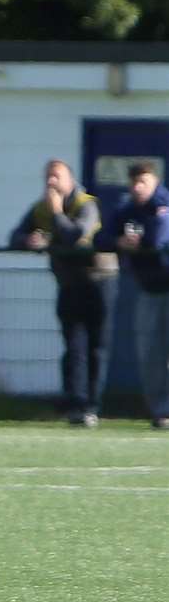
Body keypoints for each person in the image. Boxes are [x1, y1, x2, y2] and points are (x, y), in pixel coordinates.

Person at [10, 160, 110, 427]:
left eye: (57, 177)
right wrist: (28, 241)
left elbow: (76, 235)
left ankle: (92, 404)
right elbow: (14, 236)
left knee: (96, 347)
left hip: (98, 282)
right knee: (74, 345)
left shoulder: (86, 204)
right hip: (67, 283)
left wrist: (56, 214)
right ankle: (75, 403)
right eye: (48, 178)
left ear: (70, 179)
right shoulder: (40, 208)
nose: (51, 183)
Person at [97, 162, 169, 429]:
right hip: (149, 290)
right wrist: (118, 242)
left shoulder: (163, 206)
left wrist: (139, 241)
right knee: (149, 353)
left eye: (144, 182)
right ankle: (161, 411)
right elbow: (101, 239)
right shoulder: (127, 210)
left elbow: (159, 238)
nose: (138, 188)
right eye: (135, 182)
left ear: (155, 182)